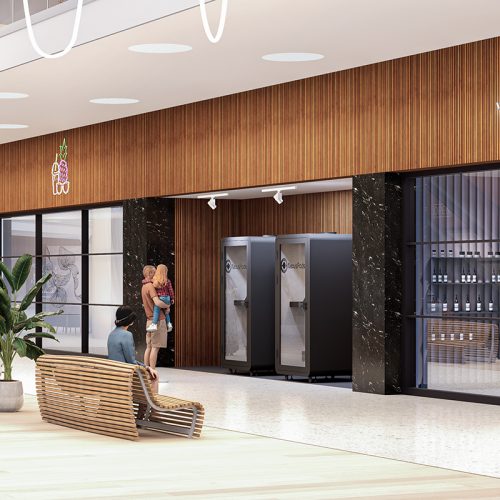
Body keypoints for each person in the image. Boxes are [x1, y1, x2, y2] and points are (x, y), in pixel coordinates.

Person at [107, 305, 159, 392]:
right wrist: (147, 367)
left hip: (113, 373)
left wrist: (145, 366)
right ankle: (153, 404)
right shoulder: (127, 335)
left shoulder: (111, 334)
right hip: (124, 375)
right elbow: (131, 361)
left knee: (148, 372)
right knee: (154, 375)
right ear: (130, 320)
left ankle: (145, 404)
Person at [141, 265, 169, 370]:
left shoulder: (143, 286)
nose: (157, 274)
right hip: (157, 321)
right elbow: (157, 302)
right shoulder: (150, 286)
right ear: (149, 274)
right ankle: (153, 373)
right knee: (155, 348)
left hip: (149, 321)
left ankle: (146, 372)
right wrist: (167, 305)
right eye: (154, 272)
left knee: (148, 347)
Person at [146, 264, 175, 333]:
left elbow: (148, 282)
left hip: (161, 298)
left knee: (156, 310)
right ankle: (169, 324)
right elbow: (171, 290)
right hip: (167, 298)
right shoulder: (167, 281)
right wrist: (172, 298)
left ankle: (154, 324)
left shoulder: (156, 280)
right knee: (166, 312)